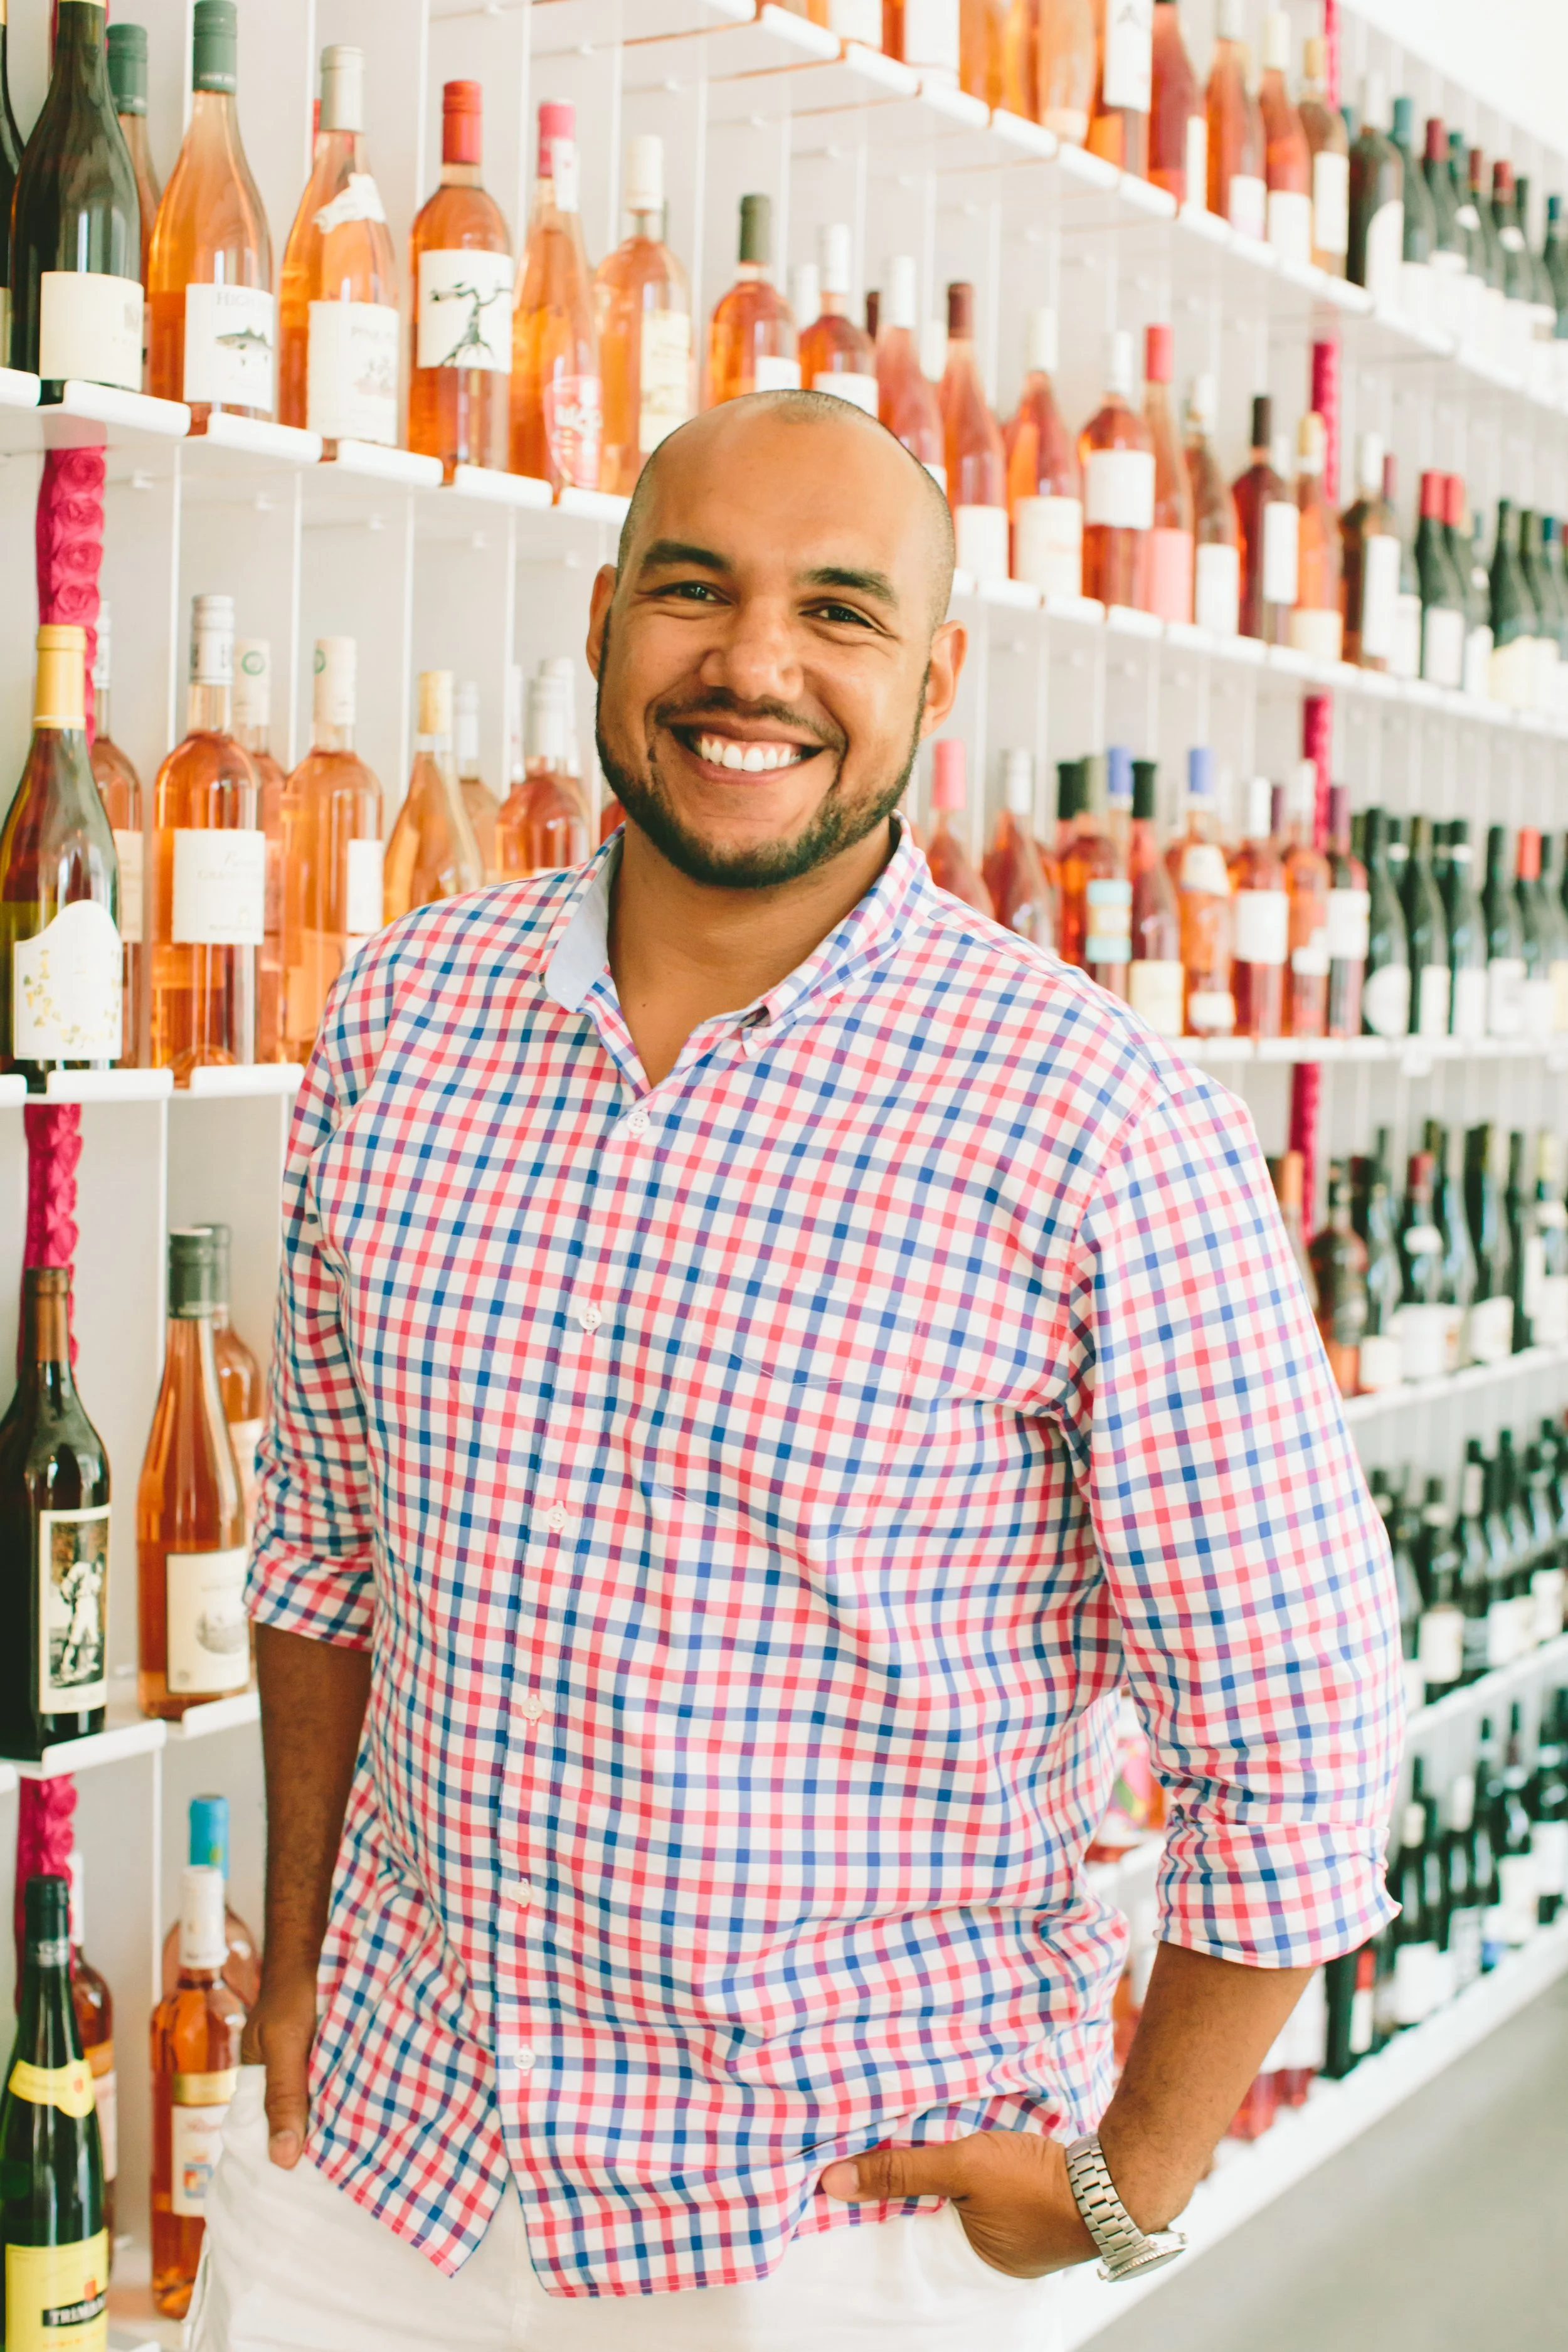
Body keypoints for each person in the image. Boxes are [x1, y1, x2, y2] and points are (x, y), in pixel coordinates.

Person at [194, 391, 1401, 2351]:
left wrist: (1131, 2178)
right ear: (599, 623)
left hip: (818, 2224)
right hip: (384, 2162)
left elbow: (1299, 1720)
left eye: (838, 613)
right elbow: (323, 1554)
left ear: (934, 678)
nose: (749, 664)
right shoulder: (404, 1014)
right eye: (695, 589)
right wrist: (297, 1953)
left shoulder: (1085, 1117)